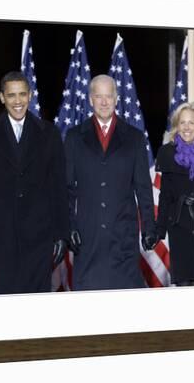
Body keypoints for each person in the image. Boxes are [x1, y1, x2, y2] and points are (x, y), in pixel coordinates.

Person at [0, 71, 70, 294]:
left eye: (22, 94)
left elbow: (59, 189)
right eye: (11, 95)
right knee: (6, 312)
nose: (18, 101)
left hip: (40, 240)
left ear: (30, 95)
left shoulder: (49, 135)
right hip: (1, 240)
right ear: (2, 97)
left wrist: (61, 233)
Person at [64, 74, 156, 290]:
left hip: (123, 238)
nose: (104, 102)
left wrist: (149, 228)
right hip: (87, 239)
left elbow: (143, 189)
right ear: (90, 99)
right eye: (98, 96)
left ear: (116, 99)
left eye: (109, 96)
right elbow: (66, 188)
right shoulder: (74, 137)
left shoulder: (134, 138)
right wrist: (68, 226)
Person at [155, 102, 194, 286]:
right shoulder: (167, 153)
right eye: (182, 123)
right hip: (179, 226)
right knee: (183, 285)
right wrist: (160, 229)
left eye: (191, 123)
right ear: (176, 126)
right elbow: (165, 196)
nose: (187, 127)